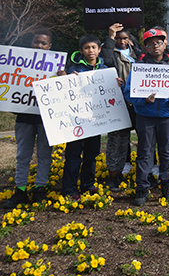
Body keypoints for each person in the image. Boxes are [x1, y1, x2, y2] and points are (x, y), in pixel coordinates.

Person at [124, 28, 169, 205]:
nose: (155, 46)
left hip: (166, 115)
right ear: (145, 47)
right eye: (150, 44)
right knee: (144, 152)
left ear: (164, 44)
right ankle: (141, 188)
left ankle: (166, 186)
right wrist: (144, 100)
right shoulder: (138, 69)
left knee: (166, 152)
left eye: (158, 42)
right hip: (145, 116)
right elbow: (128, 93)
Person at [60, 35, 118, 198]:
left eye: (94, 47)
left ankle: (88, 185)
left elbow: (109, 90)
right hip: (77, 120)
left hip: (95, 120)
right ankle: (69, 189)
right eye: (87, 48)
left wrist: (115, 83)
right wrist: (68, 79)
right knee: (73, 155)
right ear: (81, 51)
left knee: (91, 154)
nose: (90, 50)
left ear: (99, 50)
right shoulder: (74, 70)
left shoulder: (105, 69)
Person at [3, 29, 55, 209]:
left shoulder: (57, 67)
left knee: (44, 155)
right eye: (36, 42)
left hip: (47, 119)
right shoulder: (19, 62)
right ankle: (20, 190)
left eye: (43, 43)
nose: (39, 46)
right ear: (31, 43)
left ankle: (40, 189)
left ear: (49, 46)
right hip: (24, 116)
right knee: (22, 156)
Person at [101, 23, 141, 191]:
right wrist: (110, 37)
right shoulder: (111, 53)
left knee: (140, 139)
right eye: (118, 39)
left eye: (125, 38)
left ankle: (143, 174)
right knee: (116, 140)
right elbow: (107, 60)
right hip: (118, 102)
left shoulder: (136, 54)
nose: (122, 41)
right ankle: (114, 175)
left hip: (137, 103)